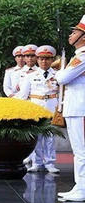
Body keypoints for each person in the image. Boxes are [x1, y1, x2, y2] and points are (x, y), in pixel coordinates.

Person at [17, 45, 61, 173]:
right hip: (35, 107)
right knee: (36, 137)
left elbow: (62, 92)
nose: (44, 61)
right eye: (41, 58)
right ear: (37, 59)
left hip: (52, 106)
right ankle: (37, 162)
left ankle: (50, 163)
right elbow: (23, 95)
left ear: (52, 60)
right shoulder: (30, 76)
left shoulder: (58, 75)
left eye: (47, 59)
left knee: (50, 137)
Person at [56, 17, 85, 201]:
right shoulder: (78, 55)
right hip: (75, 108)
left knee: (82, 151)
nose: (70, 34)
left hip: (80, 109)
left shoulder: (82, 56)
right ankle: (79, 186)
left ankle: (82, 189)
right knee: (79, 151)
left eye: (75, 32)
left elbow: (63, 78)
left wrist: (59, 72)